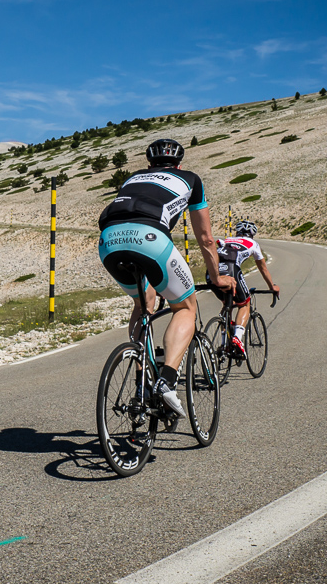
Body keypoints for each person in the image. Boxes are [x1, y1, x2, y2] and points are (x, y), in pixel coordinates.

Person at [98, 138, 234, 418]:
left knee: (143, 303)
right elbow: (206, 238)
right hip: (150, 238)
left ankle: (142, 376)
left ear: (149, 164)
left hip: (109, 241)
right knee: (185, 307)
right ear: (179, 163)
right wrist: (217, 277)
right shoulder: (190, 179)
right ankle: (166, 381)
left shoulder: (132, 178)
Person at [208, 221, 280, 357]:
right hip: (231, 269)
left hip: (211, 272)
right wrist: (272, 287)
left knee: (227, 305)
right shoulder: (253, 244)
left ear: (237, 232)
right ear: (252, 234)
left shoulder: (228, 240)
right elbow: (263, 268)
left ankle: (224, 344)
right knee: (245, 304)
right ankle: (237, 338)